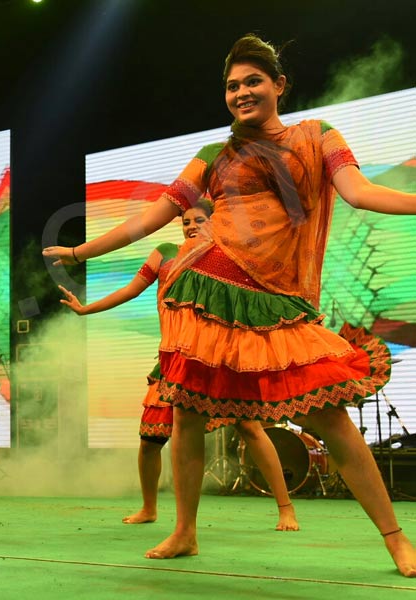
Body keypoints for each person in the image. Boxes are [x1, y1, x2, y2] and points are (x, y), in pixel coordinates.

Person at [43, 34, 416, 577]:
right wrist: (80, 249)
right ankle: (184, 532)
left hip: (276, 302)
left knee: (328, 417)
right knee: (188, 416)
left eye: (252, 82)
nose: (241, 92)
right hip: (209, 292)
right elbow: (151, 217)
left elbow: (358, 192)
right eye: (232, 86)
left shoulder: (317, 136)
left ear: (279, 85)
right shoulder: (214, 155)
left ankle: (396, 540)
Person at [59, 200, 298, 531]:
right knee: (149, 440)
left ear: (218, 222)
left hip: (219, 357)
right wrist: (87, 309)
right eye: (186, 221)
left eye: (199, 219)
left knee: (250, 428)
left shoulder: (225, 256)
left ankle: (286, 509)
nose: (191, 225)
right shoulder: (166, 253)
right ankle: (148, 508)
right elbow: (131, 289)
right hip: (174, 359)